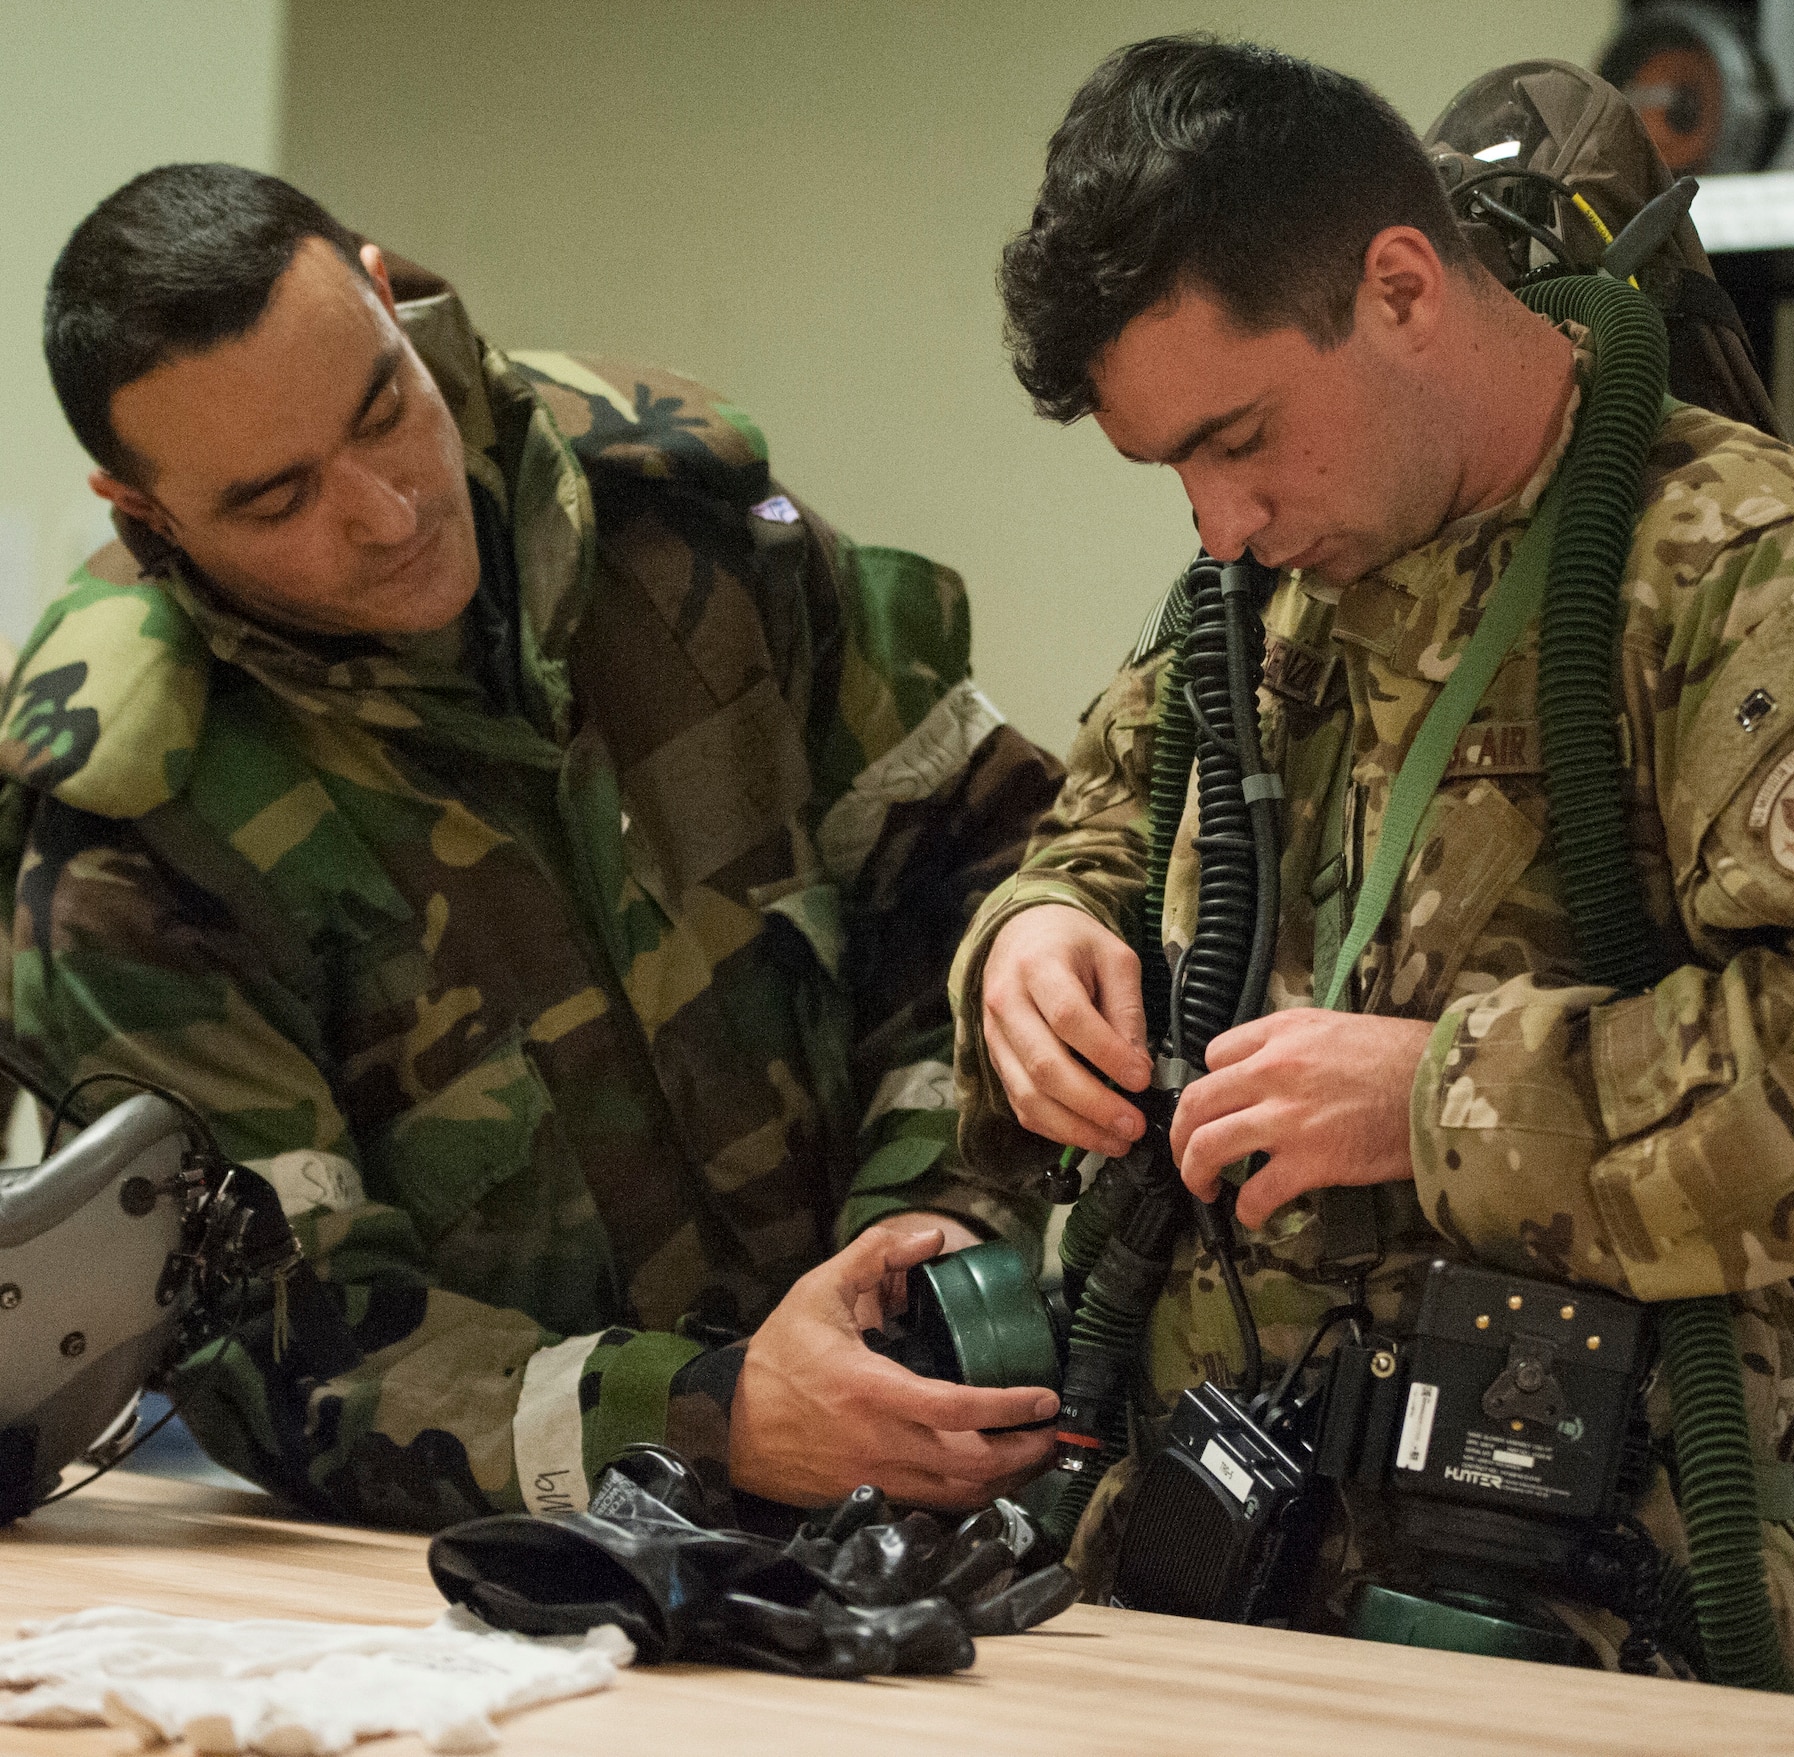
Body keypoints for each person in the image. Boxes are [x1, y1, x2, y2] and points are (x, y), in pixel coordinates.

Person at [948, 36, 1794, 1689]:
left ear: (1401, 287)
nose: (1216, 523)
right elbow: (1108, 814)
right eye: (1173, 471)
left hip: (1573, 1622)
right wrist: (1035, 941)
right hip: (1207, 1577)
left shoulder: (1745, 578)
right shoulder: (1274, 576)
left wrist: (1439, 1099)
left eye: (1240, 437)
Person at [6, 163, 1066, 1530]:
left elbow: (983, 875)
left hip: (938, 1451)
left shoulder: (681, 519)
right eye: (277, 501)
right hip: (532, 1572)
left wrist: (920, 1239)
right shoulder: (136, 816)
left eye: (386, 408)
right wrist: (715, 1412)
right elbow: (287, 1336)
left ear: (391, 302)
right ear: (141, 511)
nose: (386, 512)